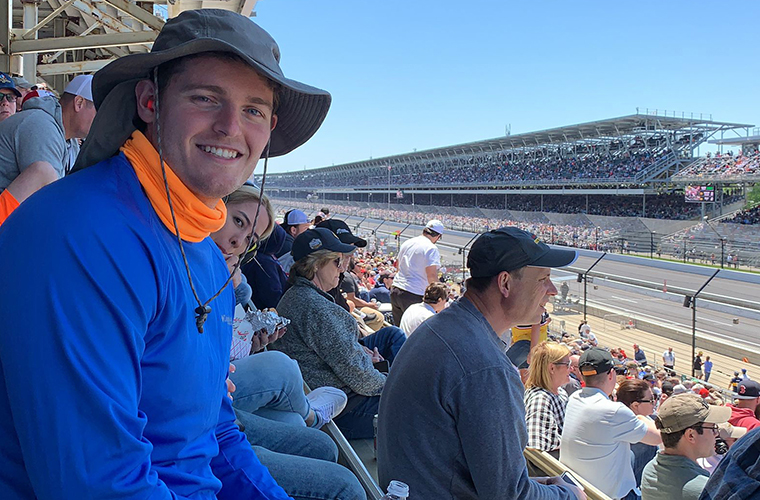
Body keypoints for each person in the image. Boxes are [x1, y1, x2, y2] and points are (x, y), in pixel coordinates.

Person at [0, 9, 331, 498]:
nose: (229, 127)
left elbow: (215, 433)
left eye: (253, 110)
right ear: (151, 101)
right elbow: (99, 484)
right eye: (205, 98)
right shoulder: (79, 234)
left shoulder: (203, 249)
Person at [378, 227, 584, 499]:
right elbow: (510, 496)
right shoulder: (486, 368)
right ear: (505, 283)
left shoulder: (443, 327)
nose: (553, 290)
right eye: (544, 279)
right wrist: (569, 496)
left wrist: (545, 486)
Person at [273, 227, 406, 439]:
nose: (342, 268)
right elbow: (361, 379)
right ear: (316, 264)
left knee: (391, 336)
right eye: (337, 261)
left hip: (325, 386)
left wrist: (363, 358)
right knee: (416, 400)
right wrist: (394, 383)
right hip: (344, 408)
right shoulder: (317, 308)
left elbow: (343, 356)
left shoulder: (299, 295)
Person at [560, 347, 662, 500]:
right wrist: (639, 416)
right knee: (649, 447)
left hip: (578, 485)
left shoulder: (575, 397)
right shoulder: (614, 411)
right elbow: (657, 438)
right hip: (610, 495)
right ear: (611, 374)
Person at [640, 394, 732, 500]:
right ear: (691, 435)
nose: (716, 434)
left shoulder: (651, 468)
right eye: (713, 428)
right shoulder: (702, 490)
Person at [390, 219, 444, 325]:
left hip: (396, 289)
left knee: (400, 329)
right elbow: (432, 276)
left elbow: (398, 266)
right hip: (413, 293)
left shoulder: (408, 242)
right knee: (414, 332)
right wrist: (442, 294)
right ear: (438, 236)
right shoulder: (431, 248)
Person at [524, 341, 572, 457]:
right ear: (552, 368)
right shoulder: (540, 400)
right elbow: (534, 450)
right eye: (567, 364)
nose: (570, 369)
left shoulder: (560, 392)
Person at [617, 378, 659, 492]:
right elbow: (658, 437)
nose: (654, 402)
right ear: (635, 405)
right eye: (650, 399)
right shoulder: (636, 430)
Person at [59, 74, 97, 172]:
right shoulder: (43, 128)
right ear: (79, 103)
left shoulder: (72, 143)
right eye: (99, 111)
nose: (101, 119)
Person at [278, 208, 311, 272]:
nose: (308, 232)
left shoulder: (281, 239)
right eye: (306, 229)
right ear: (293, 230)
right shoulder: (289, 247)